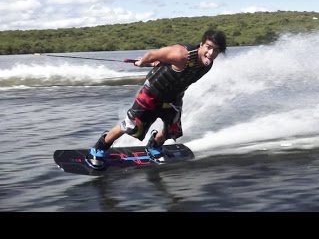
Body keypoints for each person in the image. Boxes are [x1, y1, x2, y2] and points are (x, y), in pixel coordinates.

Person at [85, 29, 227, 169]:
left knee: (172, 130)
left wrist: (160, 62)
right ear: (201, 44)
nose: (211, 53)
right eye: (208, 47)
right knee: (131, 125)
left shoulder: (207, 64)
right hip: (152, 93)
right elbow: (153, 54)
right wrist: (143, 62)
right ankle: (99, 148)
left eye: (216, 50)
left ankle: (153, 146)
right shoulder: (181, 54)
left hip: (173, 98)